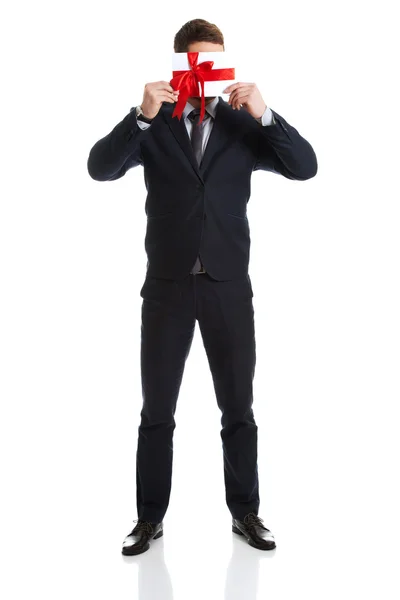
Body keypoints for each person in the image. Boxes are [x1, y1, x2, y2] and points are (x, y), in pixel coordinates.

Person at [87, 18, 318, 556]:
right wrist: (139, 119)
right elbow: (100, 169)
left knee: (239, 408)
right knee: (156, 412)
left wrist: (266, 113)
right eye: (194, 61)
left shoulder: (242, 124)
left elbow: (305, 168)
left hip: (228, 287)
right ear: (179, 66)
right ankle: (149, 519)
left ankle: (246, 513)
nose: (203, 71)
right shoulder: (157, 122)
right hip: (166, 287)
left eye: (213, 61)